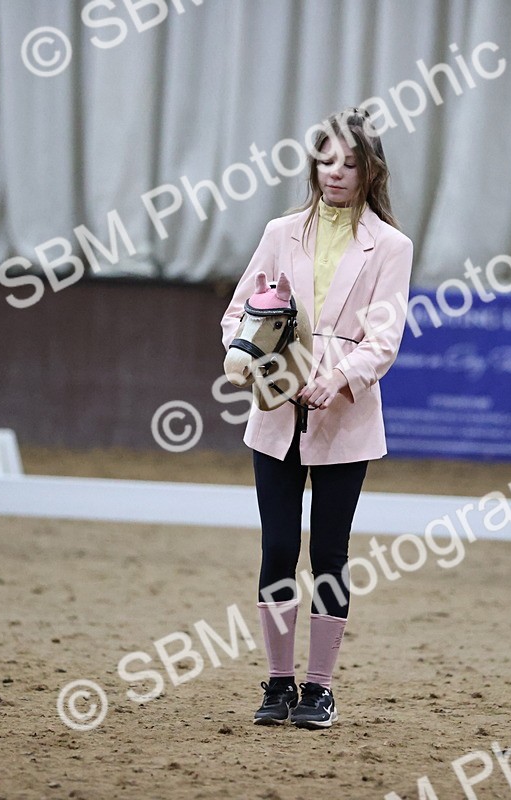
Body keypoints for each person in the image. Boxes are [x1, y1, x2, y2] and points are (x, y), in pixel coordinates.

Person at [220, 108, 414, 729]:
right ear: (314, 166)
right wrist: (246, 357)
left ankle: (319, 689)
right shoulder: (281, 231)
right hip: (275, 414)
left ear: (369, 170)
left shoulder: (390, 245)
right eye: (327, 160)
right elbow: (238, 313)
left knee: (329, 554)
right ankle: (277, 682)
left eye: (350, 162)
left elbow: (384, 337)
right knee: (278, 548)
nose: (336, 171)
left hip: (346, 415)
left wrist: (340, 377)